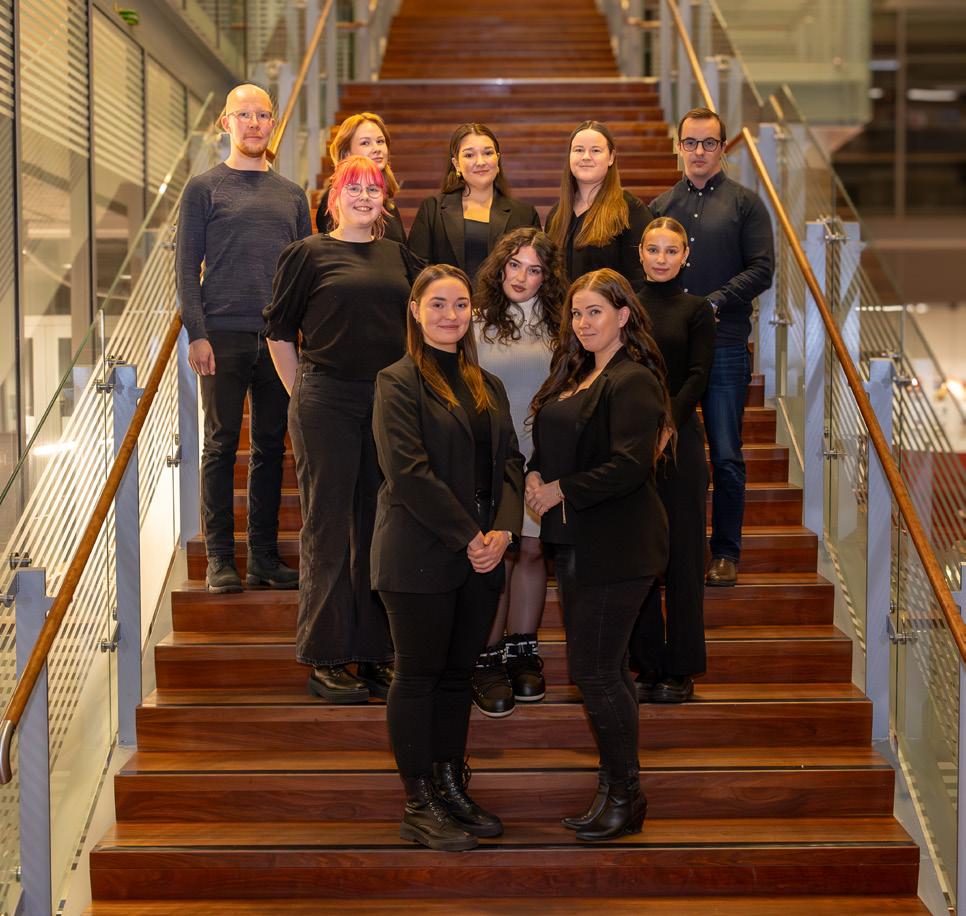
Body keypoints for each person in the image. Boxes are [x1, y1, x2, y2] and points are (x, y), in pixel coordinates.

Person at [371, 264, 524, 852]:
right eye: (437, 304)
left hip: (482, 556)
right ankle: (419, 803)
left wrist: (503, 531)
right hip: (418, 552)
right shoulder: (396, 381)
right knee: (418, 676)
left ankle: (449, 785)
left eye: (460, 304)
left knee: (459, 675)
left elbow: (510, 463)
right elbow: (407, 472)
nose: (450, 315)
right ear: (415, 310)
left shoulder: (489, 384)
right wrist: (470, 536)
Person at [263, 155, 421, 704]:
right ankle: (326, 658)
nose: (363, 197)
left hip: (386, 403)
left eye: (373, 189)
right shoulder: (308, 254)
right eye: (353, 188)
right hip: (326, 399)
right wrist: (301, 394)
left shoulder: (399, 257)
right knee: (327, 529)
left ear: (385, 201)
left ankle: (375, 653)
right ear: (334, 197)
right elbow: (278, 332)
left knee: (379, 529)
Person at [527, 268, 672, 842]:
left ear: (623, 316)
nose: (584, 323)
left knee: (595, 671)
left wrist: (560, 489)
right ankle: (616, 792)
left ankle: (625, 795)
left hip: (620, 544)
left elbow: (630, 465)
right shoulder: (577, 374)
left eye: (596, 312)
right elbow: (552, 445)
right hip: (578, 542)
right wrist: (536, 473)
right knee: (603, 670)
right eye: (577, 313)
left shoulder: (632, 378)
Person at [177, 83, 310, 594]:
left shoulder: (292, 194)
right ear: (226, 122)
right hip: (222, 336)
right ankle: (219, 559)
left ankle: (263, 558)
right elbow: (186, 268)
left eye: (263, 115)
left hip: (279, 340)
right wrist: (197, 334)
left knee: (271, 447)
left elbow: (304, 274)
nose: (254, 123)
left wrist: (302, 336)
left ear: (273, 123)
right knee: (219, 445)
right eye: (244, 114)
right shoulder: (203, 188)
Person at [650, 107, 774, 586]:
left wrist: (712, 303)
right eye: (690, 142)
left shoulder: (746, 204)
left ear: (722, 148)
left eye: (708, 143)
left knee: (725, 454)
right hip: (669, 351)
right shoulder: (660, 208)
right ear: (678, 146)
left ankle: (725, 552)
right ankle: (665, 549)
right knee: (664, 451)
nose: (698, 151)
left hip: (724, 345)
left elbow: (762, 269)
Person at [470, 227, 566, 717]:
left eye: (534, 270)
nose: (521, 277)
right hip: (490, 456)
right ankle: (486, 658)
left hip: (541, 456)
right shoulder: (474, 321)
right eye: (514, 265)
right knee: (498, 554)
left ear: (547, 278)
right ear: (500, 265)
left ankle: (522, 651)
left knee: (532, 550)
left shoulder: (563, 326)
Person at [630, 217, 715, 704]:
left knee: (683, 558)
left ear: (685, 256)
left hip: (679, 442)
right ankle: (647, 662)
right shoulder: (625, 306)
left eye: (671, 251)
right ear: (640, 252)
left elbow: (699, 375)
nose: (661, 259)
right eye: (653, 249)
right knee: (639, 556)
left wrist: (667, 425)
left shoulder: (696, 310)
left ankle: (680, 667)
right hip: (630, 443)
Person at [407, 123, 541, 280]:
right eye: (469, 155)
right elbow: (417, 271)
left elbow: (536, 270)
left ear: (497, 159)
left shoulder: (524, 214)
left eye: (488, 153)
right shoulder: (433, 209)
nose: (480, 162)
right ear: (456, 164)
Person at [545, 120, 652, 288]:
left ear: (611, 157)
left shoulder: (630, 210)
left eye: (595, 150)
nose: (586, 157)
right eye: (579, 150)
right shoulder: (556, 215)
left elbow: (639, 280)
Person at [314, 112, 406, 244]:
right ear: (347, 153)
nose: (377, 149)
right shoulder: (338, 197)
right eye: (365, 143)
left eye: (380, 141)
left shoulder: (387, 198)